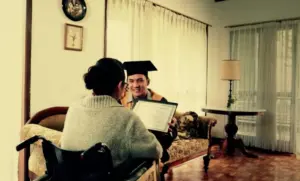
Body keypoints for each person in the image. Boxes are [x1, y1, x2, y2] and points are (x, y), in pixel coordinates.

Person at [60, 58, 163, 168]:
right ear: (120, 86)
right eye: (129, 82)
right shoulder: (126, 117)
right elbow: (156, 150)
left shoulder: (73, 108)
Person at [120, 60, 178, 163]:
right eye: (131, 81)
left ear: (148, 81)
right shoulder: (121, 99)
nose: (135, 85)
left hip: (150, 144)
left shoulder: (160, 101)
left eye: (140, 80)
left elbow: (169, 136)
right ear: (127, 83)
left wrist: (172, 128)